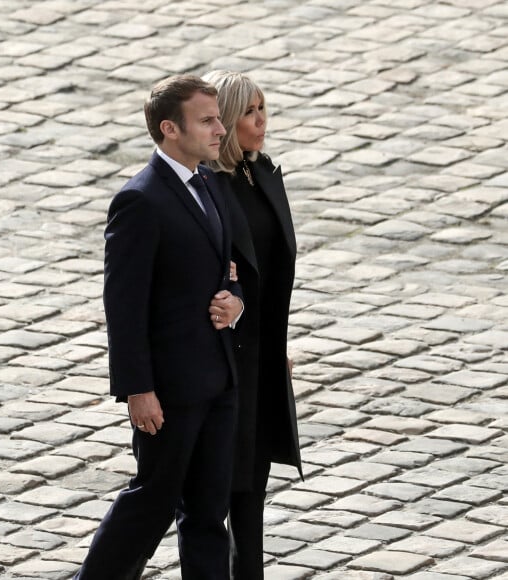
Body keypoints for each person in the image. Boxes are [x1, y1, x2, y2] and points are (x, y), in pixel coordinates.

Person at [73, 74, 244, 580]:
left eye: (218, 117)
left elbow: (231, 268)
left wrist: (235, 301)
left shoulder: (210, 182)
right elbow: (123, 307)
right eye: (208, 120)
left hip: (219, 379)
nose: (220, 128)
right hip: (170, 390)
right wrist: (137, 390)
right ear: (170, 129)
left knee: (210, 513)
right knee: (152, 501)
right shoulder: (140, 202)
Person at [204, 70, 303, 580]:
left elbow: (273, 270)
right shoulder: (211, 188)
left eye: (263, 108)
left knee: (253, 490)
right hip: (224, 359)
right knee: (214, 492)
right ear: (223, 119)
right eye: (248, 111)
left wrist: (276, 343)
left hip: (262, 355)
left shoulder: (262, 174)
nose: (260, 120)